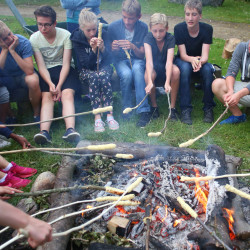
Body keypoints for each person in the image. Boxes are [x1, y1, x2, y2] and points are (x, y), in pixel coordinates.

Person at [30, 5, 81, 145]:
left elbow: (66, 64)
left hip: (66, 70)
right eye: (39, 24)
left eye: (47, 25)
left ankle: (70, 130)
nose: (43, 28)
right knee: (47, 97)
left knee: (67, 94)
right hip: (47, 72)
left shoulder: (64, 35)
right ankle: (44, 132)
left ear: (54, 23)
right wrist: (52, 85)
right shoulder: (34, 38)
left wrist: (59, 85)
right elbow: (41, 65)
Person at [70, 9, 119, 132]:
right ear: (81, 28)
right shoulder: (77, 39)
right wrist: (93, 50)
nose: (92, 33)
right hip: (85, 71)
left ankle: (109, 114)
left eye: (94, 29)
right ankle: (97, 116)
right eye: (88, 30)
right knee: (94, 76)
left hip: (104, 68)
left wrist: (102, 48)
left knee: (102, 75)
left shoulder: (104, 34)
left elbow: (109, 60)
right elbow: (85, 64)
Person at [107, 0, 151, 128]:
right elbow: (108, 52)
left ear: (139, 17)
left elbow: (142, 54)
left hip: (137, 59)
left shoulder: (142, 27)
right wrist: (113, 47)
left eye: (131, 19)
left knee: (137, 70)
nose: (127, 21)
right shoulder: (113, 27)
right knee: (126, 74)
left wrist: (133, 47)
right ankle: (127, 109)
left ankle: (143, 111)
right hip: (120, 60)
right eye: (124, 17)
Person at [174, 0, 215, 125]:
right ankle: (185, 109)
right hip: (183, 59)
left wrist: (199, 62)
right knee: (185, 69)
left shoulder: (207, 29)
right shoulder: (179, 28)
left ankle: (208, 107)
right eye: (187, 14)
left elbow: (205, 57)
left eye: (194, 14)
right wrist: (193, 60)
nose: (190, 18)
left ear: (200, 16)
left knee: (208, 70)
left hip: (199, 60)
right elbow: (183, 54)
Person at [0, 21, 41, 123]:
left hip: (22, 74)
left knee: (33, 80)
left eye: (10, 34)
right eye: (5, 38)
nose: (10, 39)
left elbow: (29, 70)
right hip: (5, 77)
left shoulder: (22, 42)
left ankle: (37, 113)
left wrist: (13, 51)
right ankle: (10, 115)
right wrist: (5, 50)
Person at [144, 13, 180, 120]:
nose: (158, 34)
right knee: (148, 76)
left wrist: (167, 82)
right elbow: (149, 62)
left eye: (161, 31)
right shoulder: (148, 38)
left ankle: (172, 108)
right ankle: (154, 106)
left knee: (176, 71)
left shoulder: (170, 39)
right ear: (150, 29)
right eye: (155, 31)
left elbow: (169, 62)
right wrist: (150, 81)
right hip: (154, 67)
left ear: (167, 28)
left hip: (166, 68)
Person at [212, 40, 250, 124]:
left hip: (246, 90)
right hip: (246, 87)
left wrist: (239, 95)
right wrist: (230, 91)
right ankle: (238, 116)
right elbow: (231, 71)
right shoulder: (242, 47)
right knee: (218, 84)